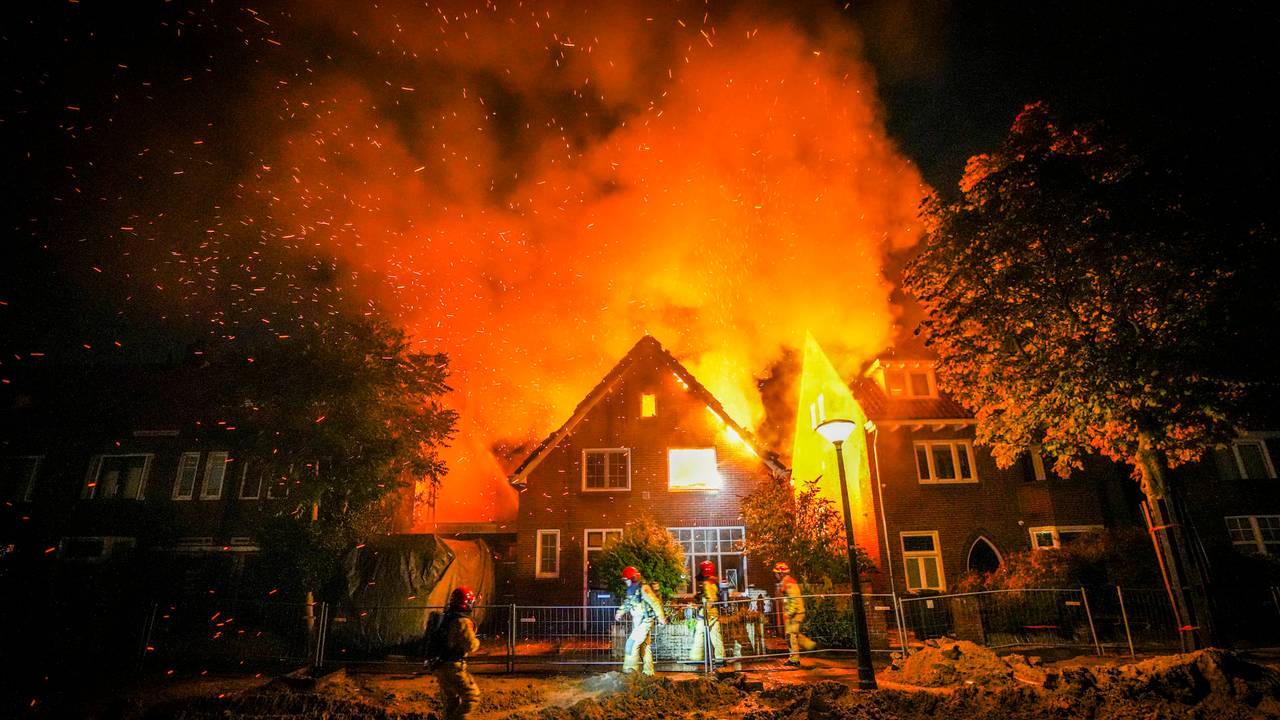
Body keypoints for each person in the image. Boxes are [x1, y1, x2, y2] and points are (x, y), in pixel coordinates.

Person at [424, 586, 482, 720]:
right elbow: (470, 646)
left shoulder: (446, 617)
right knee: (472, 697)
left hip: (439, 666)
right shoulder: (462, 621)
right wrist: (477, 640)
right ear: (466, 603)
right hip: (453, 667)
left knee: (452, 701)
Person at [615, 565, 666, 675]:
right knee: (644, 647)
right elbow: (628, 603)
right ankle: (649, 673)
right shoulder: (633, 590)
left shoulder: (644, 588)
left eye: (626, 580)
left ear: (632, 578)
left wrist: (661, 617)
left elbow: (654, 602)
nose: (625, 582)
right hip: (639, 622)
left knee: (631, 644)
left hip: (644, 621)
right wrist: (620, 612)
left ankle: (630, 672)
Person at [774, 562, 817, 667]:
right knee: (792, 635)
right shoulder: (786, 582)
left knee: (791, 636)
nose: (775, 575)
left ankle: (795, 659)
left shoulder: (789, 583)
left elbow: (794, 600)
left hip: (795, 614)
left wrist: (789, 613)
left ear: (781, 573)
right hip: (794, 613)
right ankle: (809, 646)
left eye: (776, 573)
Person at [688, 559, 725, 665]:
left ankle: (696, 658)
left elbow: (710, 600)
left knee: (699, 633)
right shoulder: (714, 583)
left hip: (707, 614)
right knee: (716, 637)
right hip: (713, 614)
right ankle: (720, 659)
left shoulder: (707, 584)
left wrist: (702, 614)